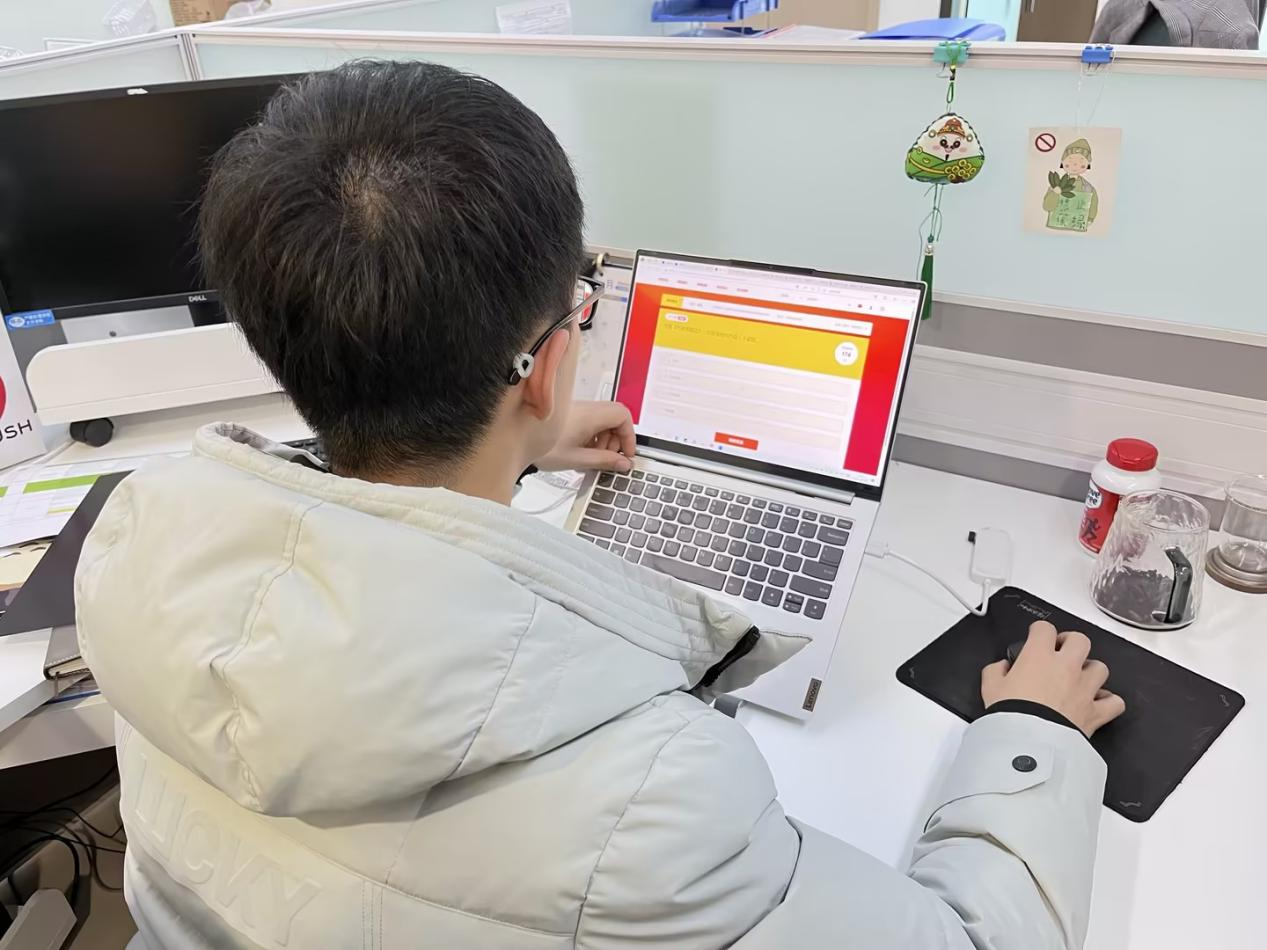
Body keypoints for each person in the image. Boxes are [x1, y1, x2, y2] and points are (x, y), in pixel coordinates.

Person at [76, 61, 1125, 950]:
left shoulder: (148, 564)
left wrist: (521, 445)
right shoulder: (653, 797)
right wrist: (1031, 732)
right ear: (548, 363)